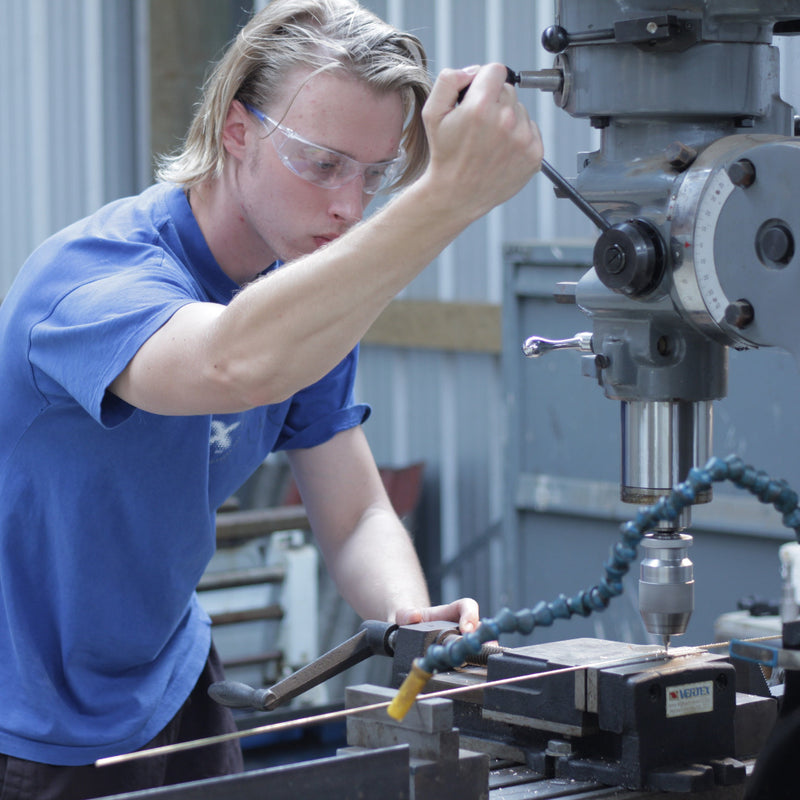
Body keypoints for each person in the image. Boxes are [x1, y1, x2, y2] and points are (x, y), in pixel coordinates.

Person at [0, 0, 543, 796]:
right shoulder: (90, 281)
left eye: (376, 175)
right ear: (236, 131)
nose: (350, 207)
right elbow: (232, 363)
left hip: (175, 685)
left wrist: (406, 618)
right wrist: (443, 199)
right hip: (32, 719)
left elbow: (355, 512)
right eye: (323, 164)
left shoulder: (300, 299)